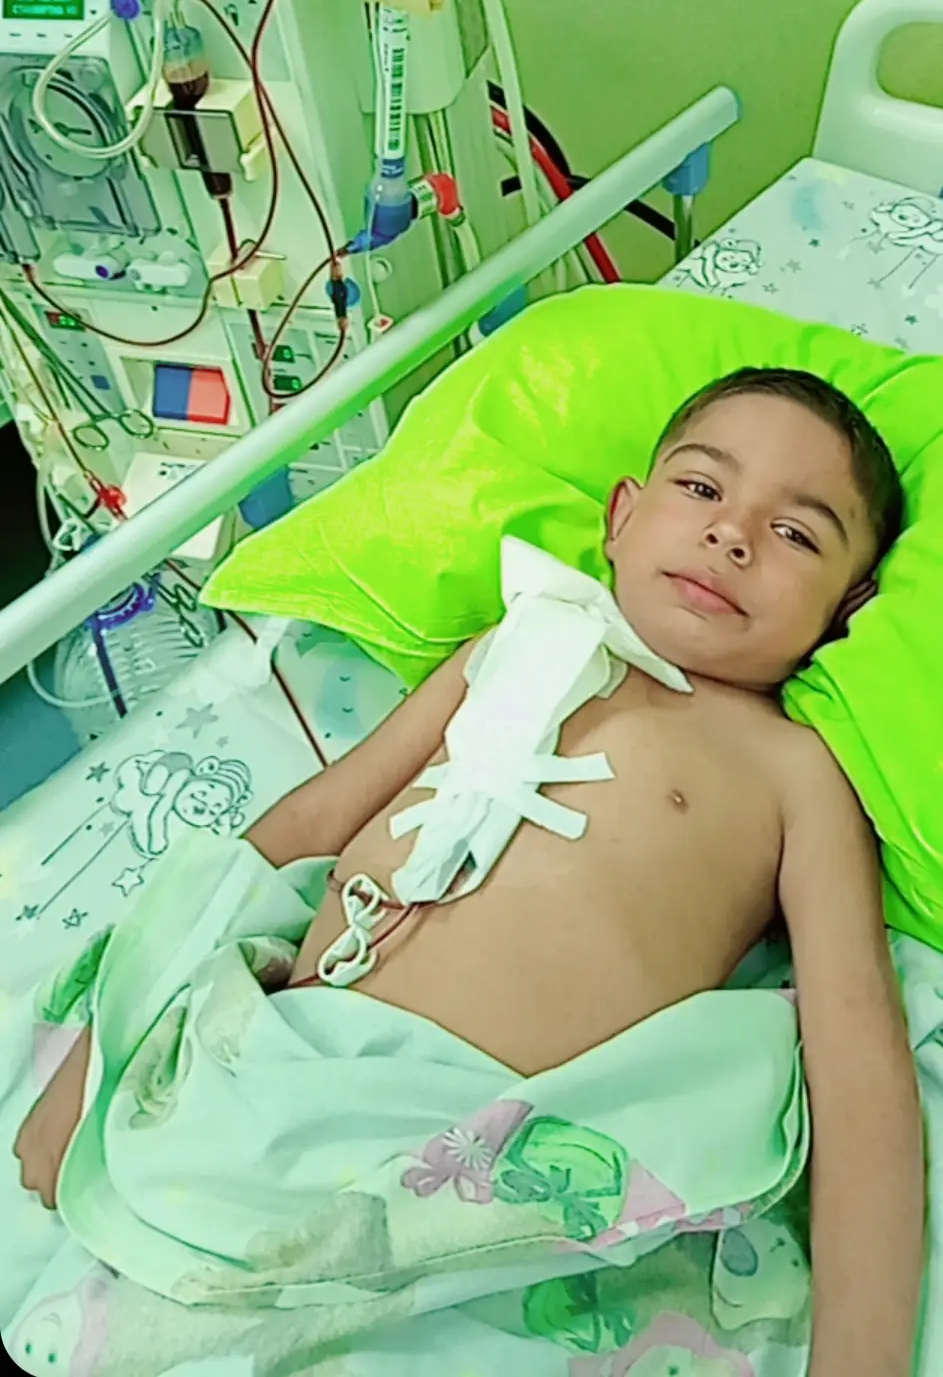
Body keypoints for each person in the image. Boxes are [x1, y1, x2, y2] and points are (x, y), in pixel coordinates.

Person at [15, 367, 924, 1377]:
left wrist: (862, 1357)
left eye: (795, 533)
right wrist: (94, 1075)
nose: (732, 535)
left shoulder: (793, 773)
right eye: (702, 487)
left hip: (488, 1165)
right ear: (621, 517)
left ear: (849, 603)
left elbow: (858, 1069)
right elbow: (293, 835)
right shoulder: (512, 644)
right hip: (263, 1084)